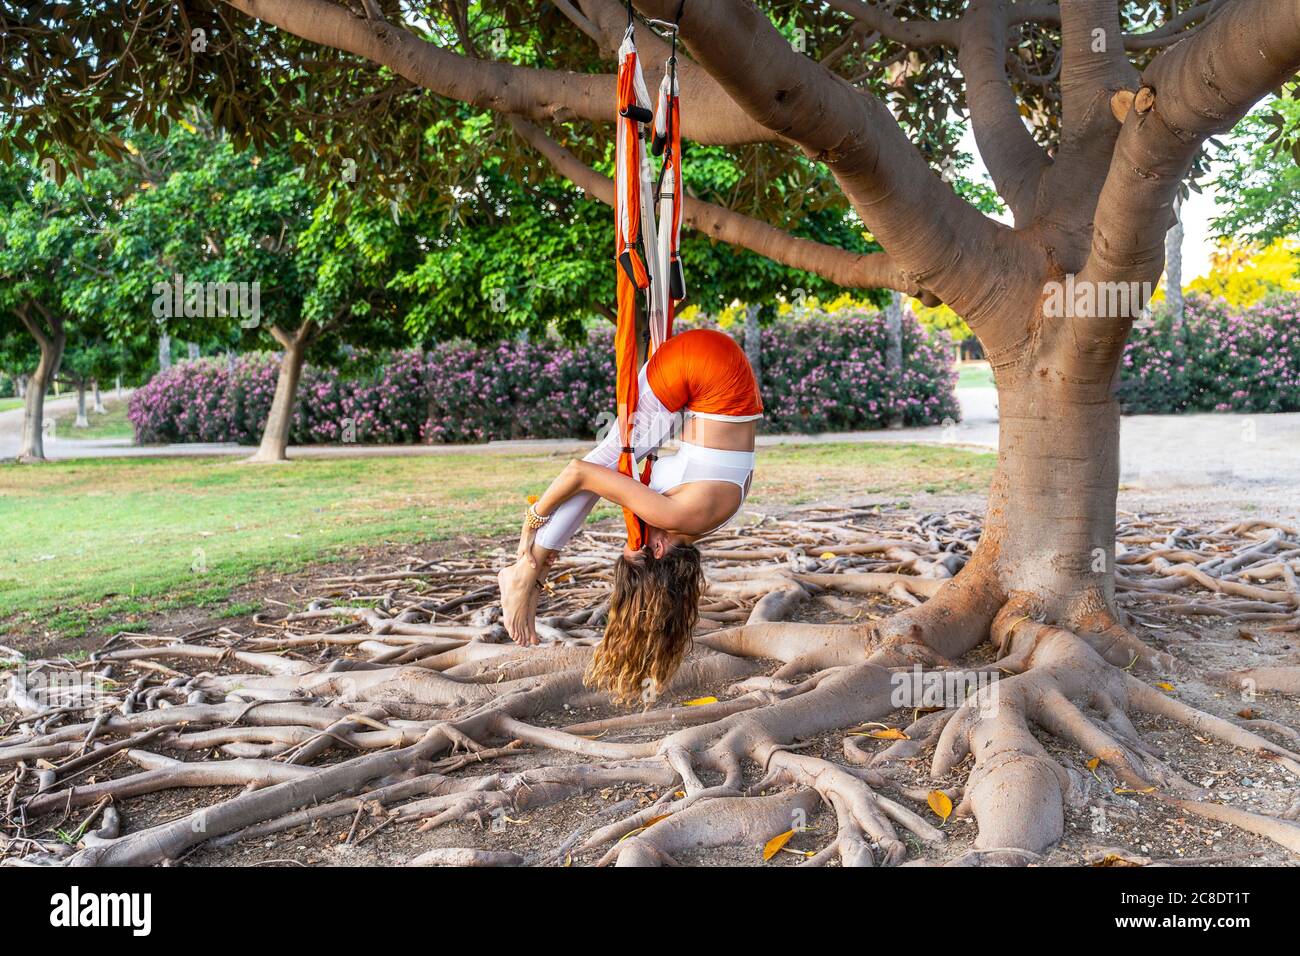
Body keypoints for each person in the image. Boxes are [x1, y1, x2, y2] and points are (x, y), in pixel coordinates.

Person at [497, 327, 762, 703]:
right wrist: (533, 522)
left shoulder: (712, 518)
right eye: (632, 543)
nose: (634, 531)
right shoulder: (677, 514)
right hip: (700, 364)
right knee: (602, 464)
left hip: (715, 369)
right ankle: (523, 573)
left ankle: (531, 573)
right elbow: (580, 473)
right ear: (656, 550)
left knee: (610, 466)